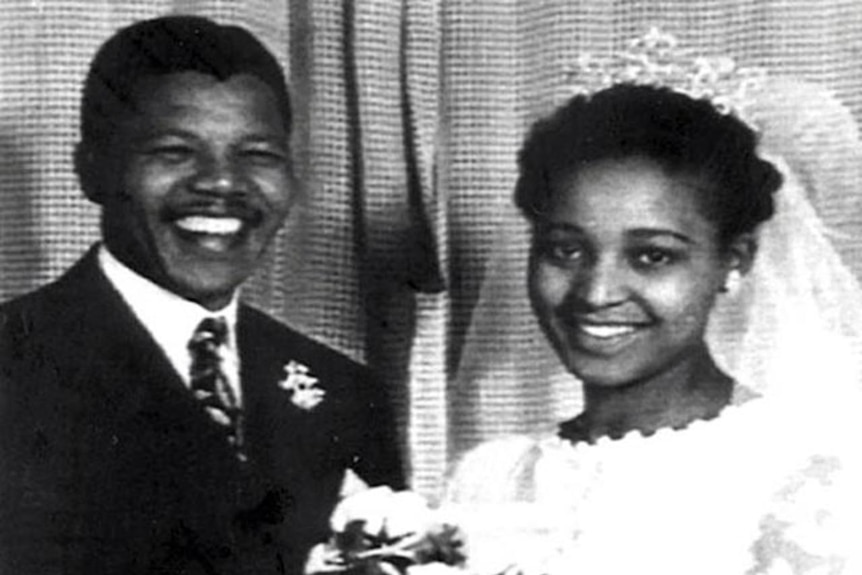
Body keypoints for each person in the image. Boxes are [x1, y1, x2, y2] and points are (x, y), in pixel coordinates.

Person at [442, 31, 862, 575]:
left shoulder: (806, 472)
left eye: (651, 257)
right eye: (565, 250)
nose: (595, 293)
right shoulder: (489, 474)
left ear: (733, 262)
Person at [0, 15, 404, 575]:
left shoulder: (347, 396)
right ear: (91, 171)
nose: (221, 183)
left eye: (257, 155)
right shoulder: (14, 365)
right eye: (174, 152)